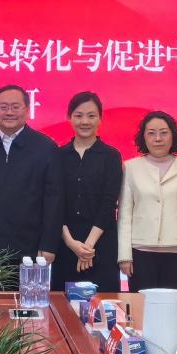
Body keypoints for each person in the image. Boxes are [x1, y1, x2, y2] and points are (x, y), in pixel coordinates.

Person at [0, 84, 60, 262]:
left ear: (27, 111)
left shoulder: (46, 147)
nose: (9, 112)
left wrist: (48, 245)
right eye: (3, 107)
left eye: (15, 107)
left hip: (32, 250)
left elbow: (54, 201)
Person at [118, 111, 177, 291]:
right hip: (140, 252)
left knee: (175, 304)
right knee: (141, 305)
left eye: (164, 133)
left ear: (173, 135)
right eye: (151, 133)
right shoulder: (131, 167)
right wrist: (124, 256)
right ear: (144, 137)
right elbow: (124, 214)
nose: (158, 139)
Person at [52, 91, 123, 293]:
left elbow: (109, 203)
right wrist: (71, 244)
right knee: (63, 305)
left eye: (91, 116)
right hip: (65, 245)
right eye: (78, 115)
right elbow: (54, 203)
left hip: (101, 244)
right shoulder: (57, 155)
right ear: (69, 117)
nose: (85, 121)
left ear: (100, 118)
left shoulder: (111, 156)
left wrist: (87, 248)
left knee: (103, 306)